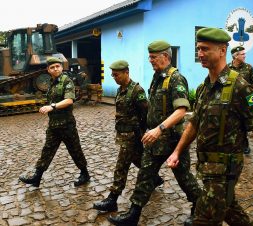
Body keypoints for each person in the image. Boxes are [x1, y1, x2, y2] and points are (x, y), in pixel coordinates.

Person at [167, 27, 253, 226]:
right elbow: (194, 123)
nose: (200, 54)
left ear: (222, 50)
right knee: (230, 210)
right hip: (206, 167)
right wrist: (177, 152)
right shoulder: (203, 88)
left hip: (225, 170)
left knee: (203, 219)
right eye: (198, 49)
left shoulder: (240, 87)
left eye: (205, 49)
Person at [108, 41, 201, 226]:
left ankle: (199, 207)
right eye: (149, 57)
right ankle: (133, 214)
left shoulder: (176, 79)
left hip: (172, 138)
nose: (150, 60)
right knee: (145, 174)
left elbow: (181, 110)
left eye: (153, 57)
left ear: (166, 57)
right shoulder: (157, 77)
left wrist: (159, 129)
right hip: (155, 140)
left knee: (184, 177)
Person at [93, 60, 163, 212]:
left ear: (126, 72)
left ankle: (113, 198)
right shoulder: (120, 90)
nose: (114, 78)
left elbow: (146, 113)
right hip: (123, 133)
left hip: (132, 135)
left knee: (121, 166)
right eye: (112, 75)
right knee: (137, 159)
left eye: (117, 75)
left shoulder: (136, 91)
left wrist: (142, 133)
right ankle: (154, 178)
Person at [19, 57, 90, 187]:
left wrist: (52, 106)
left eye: (57, 66)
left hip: (66, 125)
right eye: (52, 67)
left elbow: (69, 100)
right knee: (47, 150)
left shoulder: (66, 81)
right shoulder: (51, 83)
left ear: (62, 68)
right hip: (54, 125)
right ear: (48, 70)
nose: (55, 69)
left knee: (75, 150)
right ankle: (37, 177)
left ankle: (85, 174)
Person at [228, 46, 253, 154]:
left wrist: (252, 101)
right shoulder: (227, 68)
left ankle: (245, 145)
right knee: (232, 123)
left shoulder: (249, 68)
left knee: (244, 124)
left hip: (245, 102)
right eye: (242, 54)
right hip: (232, 102)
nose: (245, 56)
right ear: (236, 56)